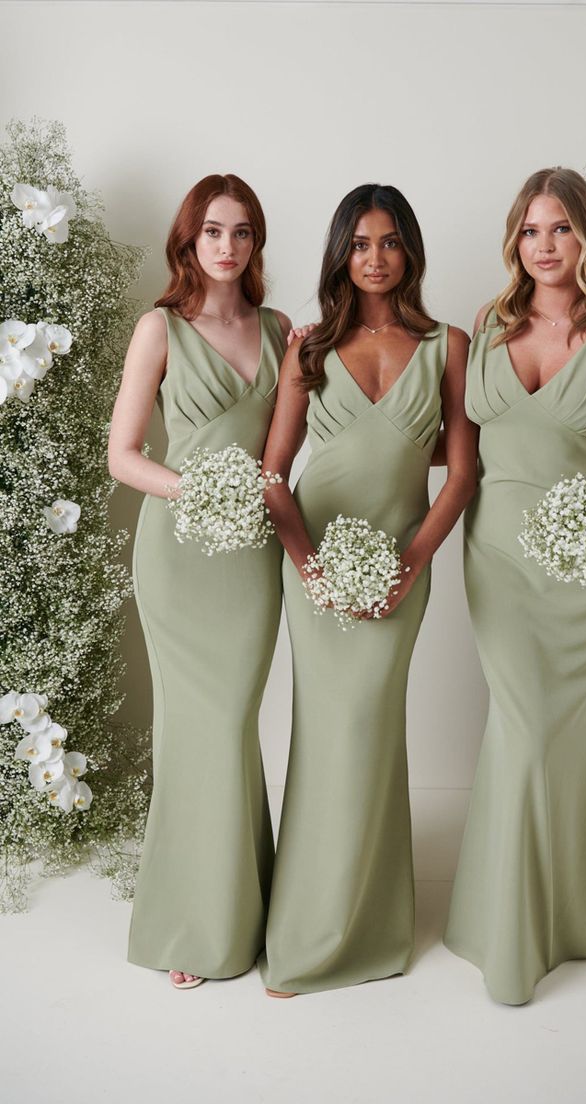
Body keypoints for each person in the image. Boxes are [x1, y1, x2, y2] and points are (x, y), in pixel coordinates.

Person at [445, 167, 586, 1005]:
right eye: (532, 231)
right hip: (498, 554)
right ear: (516, 242)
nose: (545, 247)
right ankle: (506, 925)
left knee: (549, 734)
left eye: (562, 230)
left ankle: (550, 919)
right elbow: (461, 446)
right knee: (522, 723)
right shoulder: (488, 323)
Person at [258, 183, 478, 996]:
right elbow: (275, 477)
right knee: (325, 733)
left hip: (401, 565)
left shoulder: (449, 344)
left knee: (372, 731)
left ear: (410, 250)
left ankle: (372, 924)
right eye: (359, 243)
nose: (375, 258)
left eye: (389, 242)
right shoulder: (309, 347)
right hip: (314, 558)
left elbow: (461, 474)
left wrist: (410, 564)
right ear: (340, 253)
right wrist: (308, 564)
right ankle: (309, 927)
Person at [108, 174, 291, 990]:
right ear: (189, 241)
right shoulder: (160, 328)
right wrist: (199, 489)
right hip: (179, 553)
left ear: (255, 243)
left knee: (232, 723)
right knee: (195, 728)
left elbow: (302, 439)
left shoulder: (281, 329)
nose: (227, 245)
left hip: (250, 559)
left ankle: (243, 909)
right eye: (213, 231)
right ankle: (190, 921)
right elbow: (124, 456)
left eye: (242, 232)